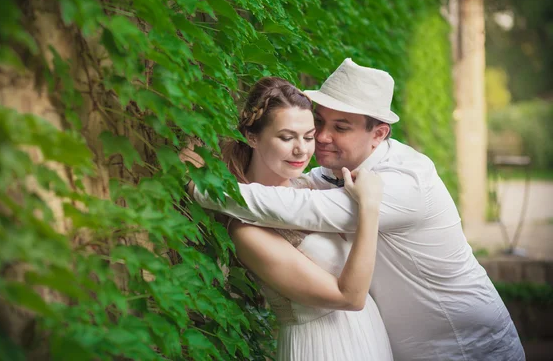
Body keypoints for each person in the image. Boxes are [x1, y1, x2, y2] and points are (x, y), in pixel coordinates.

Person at [190, 60, 525, 361]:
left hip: (468, 347)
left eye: (341, 127)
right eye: (319, 122)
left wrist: (205, 188)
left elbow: (304, 208)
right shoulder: (326, 174)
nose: (320, 138)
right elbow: (288, 184)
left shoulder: (402, 182)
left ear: (378, 134)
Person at [186, 76, 393, 360]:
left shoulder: (311, 186)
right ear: (252, 137)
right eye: (287, 137)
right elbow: (350, 297)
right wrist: (369, 207)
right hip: (322, 345)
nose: (302, 149)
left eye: (308, 136)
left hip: (368, 334)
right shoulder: (246, 231)